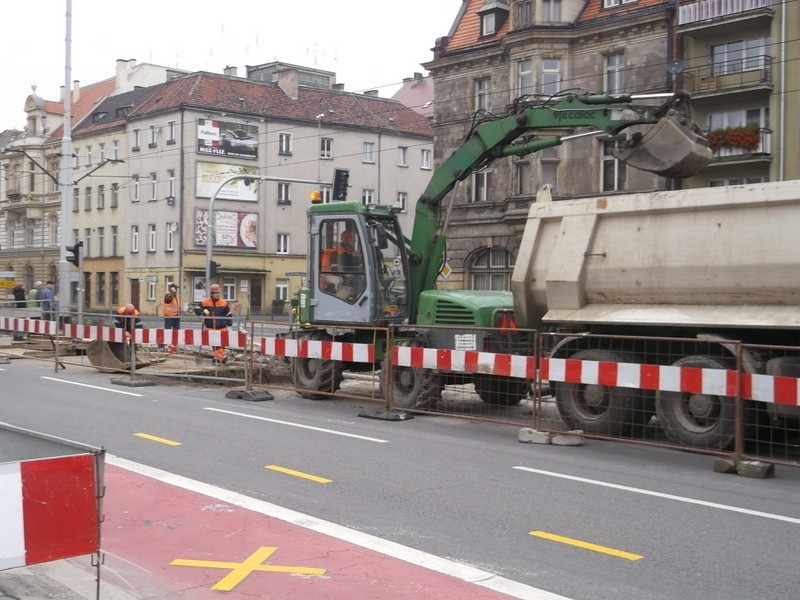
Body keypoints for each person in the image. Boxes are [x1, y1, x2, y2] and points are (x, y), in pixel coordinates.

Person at [195, 283, 232, 365]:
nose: (218, 295)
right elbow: (197, 309)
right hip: (211, 327)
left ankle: (217, 360)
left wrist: (229, 325)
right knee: (216, 345)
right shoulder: (205, 302)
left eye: (219, 293)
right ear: (212, 294)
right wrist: (202, 312)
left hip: (222, 327)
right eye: (216, 293)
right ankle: (223, 359)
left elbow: (229, 314)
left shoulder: (224, 303)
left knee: (222, 346)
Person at [161, 283, 181, 353]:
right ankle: (164, 346)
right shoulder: (168, 294)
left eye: (176, 288)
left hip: (176, 316)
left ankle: (174, 346)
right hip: (169, 316)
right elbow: (168, 300)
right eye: (175, 288)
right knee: (167, 332)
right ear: (171, 288)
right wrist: (172, 292)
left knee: (176, 331)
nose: (176, 289)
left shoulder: (175, 296)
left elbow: (176, 305)